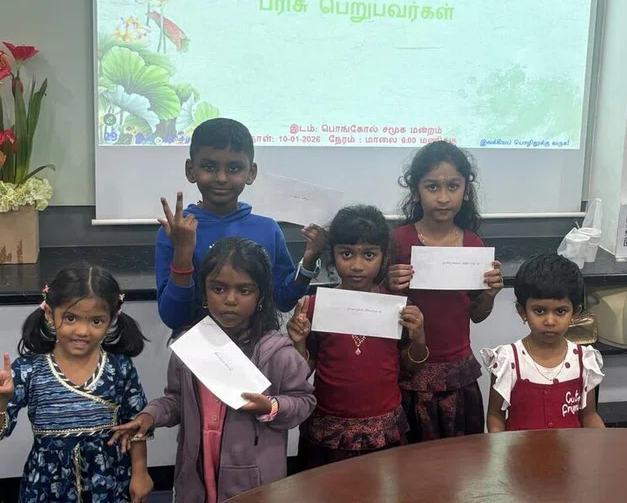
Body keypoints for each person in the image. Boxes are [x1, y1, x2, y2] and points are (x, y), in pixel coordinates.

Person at [114, 237, 316, 502]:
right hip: (196, 472)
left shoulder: (276, 352)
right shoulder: (192, 344)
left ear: (260, 296)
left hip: (252, 479)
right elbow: (176, 400)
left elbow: (304, 401)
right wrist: (150, 416)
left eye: (244, 290)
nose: (230, 300)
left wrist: (271, 406)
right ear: (205, 292)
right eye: (219, 288)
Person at [287, 205, 427, 466]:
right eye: (347, 254)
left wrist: (419, 338)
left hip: (383, 428)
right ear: (332, 254)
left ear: (384, 256)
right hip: (328, 430)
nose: (357, 265)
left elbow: (411, 368)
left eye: (369, 254)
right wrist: (299, 343)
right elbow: (303, 372)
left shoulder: (397, 307)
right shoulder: (316, 307)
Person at [154, 117, 326, 330]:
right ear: (191, 170)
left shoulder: (267, 229)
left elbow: (283, 300)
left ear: (251, 173)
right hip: (195, 347)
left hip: (257, 346)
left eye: (234, 168)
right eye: (209, 167)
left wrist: (309, 262)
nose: (221, 178)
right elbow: (174, 318)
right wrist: (182, 252)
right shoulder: (177, 231)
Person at [0, 265, 152, 502]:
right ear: (50, 314)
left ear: (112, 319)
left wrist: (140, 473)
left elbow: (135, 424)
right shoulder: (29, 369)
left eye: (96, 321)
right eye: (70, 318)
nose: (82, 331)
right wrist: (2, 401)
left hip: (108, 483)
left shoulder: (119, 367)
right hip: (45, 487)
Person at [386, 140, 503, 441]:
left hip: (457, 373)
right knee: (412, 460)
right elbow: (380, 314)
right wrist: (388, 286)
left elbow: (476, 315)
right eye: (432, 187)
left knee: (459, 459)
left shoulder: (473, 244)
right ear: (416, 191)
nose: (443, 198)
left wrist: (489, 294)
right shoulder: (398, 241)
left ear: (466, 189)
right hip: (409, 370)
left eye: (453, 186)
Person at [480, 253, 605, 431]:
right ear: (522, 311)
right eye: (539, 311)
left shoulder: (584, 360)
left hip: (571, 449)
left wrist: (604, 443)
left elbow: (589, 415)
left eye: (560, 311)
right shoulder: (507, 360)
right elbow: (495, 416)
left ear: (575, 313)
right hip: (519, 449)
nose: (550, 321)